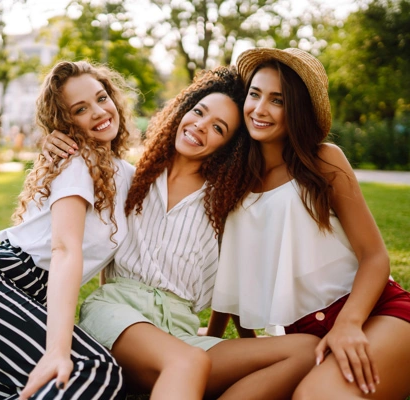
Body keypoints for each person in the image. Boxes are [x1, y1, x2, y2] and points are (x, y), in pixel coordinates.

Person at [44, 65, 318, 400]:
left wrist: (235, 343)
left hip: (181, 334)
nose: (200, 127)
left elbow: (231, 285)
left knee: (307, 350)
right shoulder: (128, 178)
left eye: (218, 127)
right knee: (185, 362)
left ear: (228, 145)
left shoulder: (225, 205)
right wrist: (54, 141)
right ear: (183, 110)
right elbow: (83, 143)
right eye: (199, 112)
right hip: (116, 317)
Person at [0, 60, 137, 400]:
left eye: (102, 98)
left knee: (76, 383)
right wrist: (58, 349)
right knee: (96, 372)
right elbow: (65, 250)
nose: (99, 112)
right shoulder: (76, 159)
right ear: (65, 121)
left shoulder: (124, 173)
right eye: (80, 109)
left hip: (17, 307)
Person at [210, 47, 410, 399]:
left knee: (314, 396)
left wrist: (349, 324)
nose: (260, 109)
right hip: (302, 338)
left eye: (278, 100)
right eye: (254, 95)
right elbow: (237, 270)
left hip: (374, 315)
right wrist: (218, 336)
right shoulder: (234, 179)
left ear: (297, 109)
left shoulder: (324, 161)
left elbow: (375, 256)